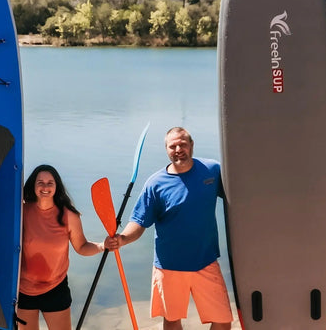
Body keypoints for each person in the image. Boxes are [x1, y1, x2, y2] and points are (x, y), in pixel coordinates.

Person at [104, 127, 233, 330]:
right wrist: (122, 239)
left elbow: (236, 196)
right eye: (173, 146)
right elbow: (139, 222)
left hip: (206, 261)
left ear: (191, 145)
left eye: (182, 144)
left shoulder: (211, 171)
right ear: (167, 150)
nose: (178, 149)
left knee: (223, 320)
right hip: (169, 266)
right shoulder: (155, 184)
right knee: (172, 321)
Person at [17, 164, 105, 330]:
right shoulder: (21, 211)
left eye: (50, 183)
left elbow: (82, 247)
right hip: (24, 290)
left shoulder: (68, 215)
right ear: (33, 185)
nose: (45, 187)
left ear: (56, 186)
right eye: (40, 182)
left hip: (55, 288)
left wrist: (102, 246)